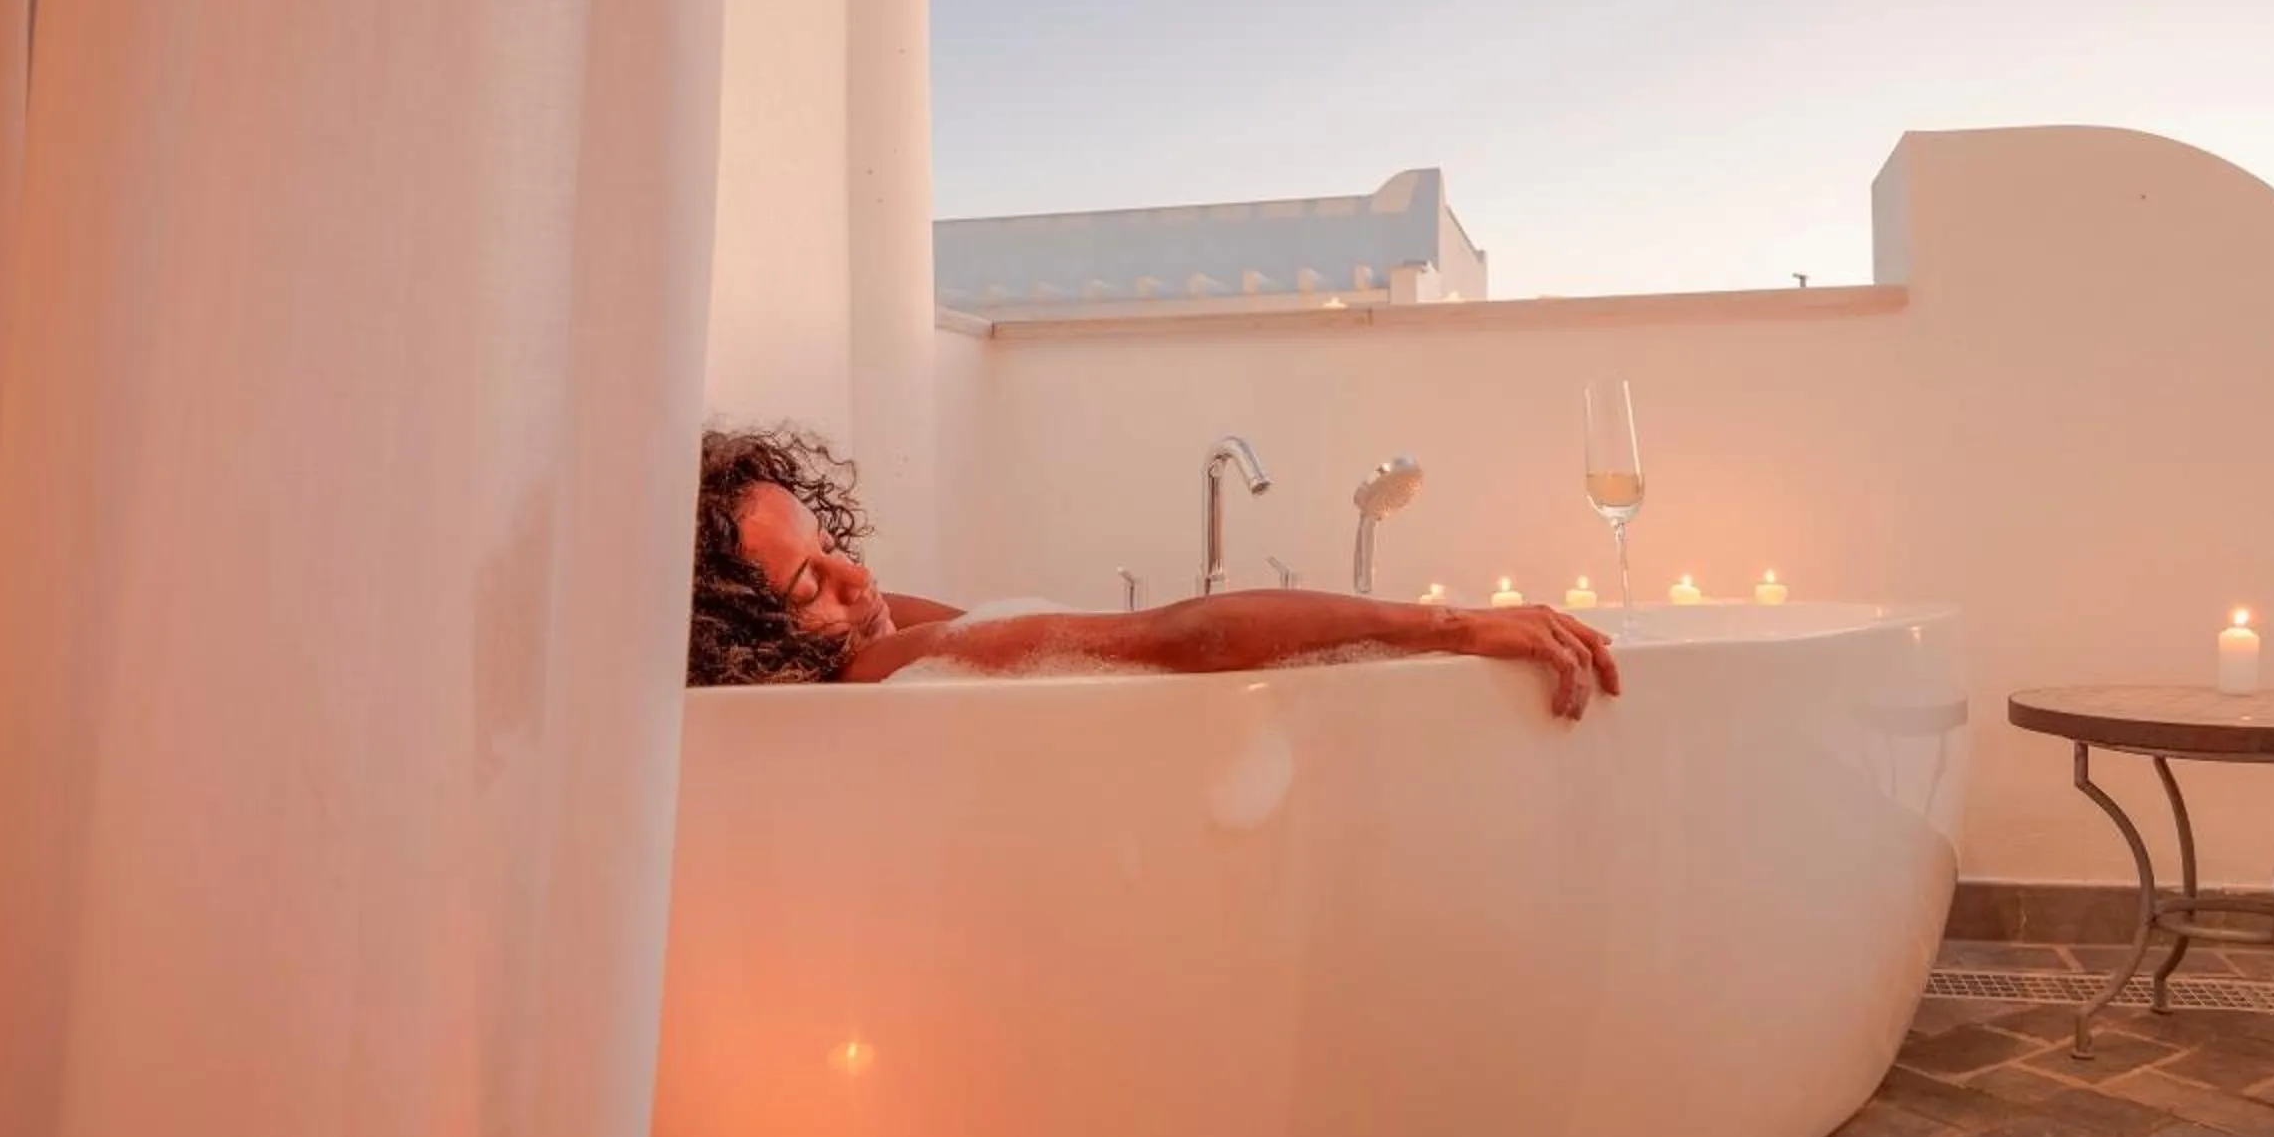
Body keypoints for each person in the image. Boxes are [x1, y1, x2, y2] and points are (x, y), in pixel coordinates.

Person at [689, 425, 1621, 718]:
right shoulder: (873, 673)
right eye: (809, 586)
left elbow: (1006, 635)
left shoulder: (874, 660)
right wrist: (1450, 626)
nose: (859, 580)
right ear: (741, 646)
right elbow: (1180, 637)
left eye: (832, 546)